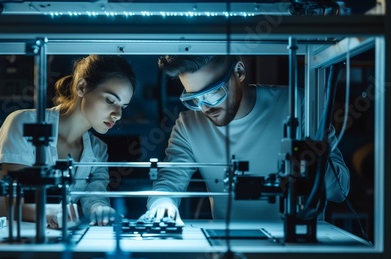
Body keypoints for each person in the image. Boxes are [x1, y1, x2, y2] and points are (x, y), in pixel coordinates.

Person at [145, 55, 350, 224]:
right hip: (230, 257)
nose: (205, 107)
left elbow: (338, 192)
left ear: (239, 72)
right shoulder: (189, 126)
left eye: (213, 93)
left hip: (299, 254)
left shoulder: (298, 105)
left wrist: (313, 149)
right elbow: (169, 182)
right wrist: (163, 203)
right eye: (194, 99)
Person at [0, 55, 136, 228]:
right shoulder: (24, 123)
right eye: (110, 100)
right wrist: (55, 213)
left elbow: (94, 196)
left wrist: (99, 209)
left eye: (123, 107)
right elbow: (16, 197)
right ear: (82, 87)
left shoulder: (98, 150)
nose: (117, 114)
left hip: (45, 239)